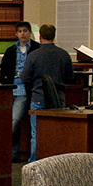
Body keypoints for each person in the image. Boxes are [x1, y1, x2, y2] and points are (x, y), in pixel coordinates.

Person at [19, 24, 75, 163]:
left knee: (37, 134)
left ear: (39, 36)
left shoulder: (34, 55)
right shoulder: (63, 54)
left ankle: (34, 164)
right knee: (56, 133)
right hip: (58, 99)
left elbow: (24, 78)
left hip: (38, 97)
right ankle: (56, 163)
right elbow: (70, 78)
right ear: (54, 35)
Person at [0, 22, 41, 162]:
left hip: (25, 89)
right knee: (11, 121)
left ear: (30, 32)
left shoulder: (36, 49)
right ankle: (13, 152)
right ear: (16, 34)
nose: (22, 34)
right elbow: (4, 69)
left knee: (15, 120)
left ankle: (9, 151)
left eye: (25, 31)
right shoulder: (11, 50)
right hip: (11, 87)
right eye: (19, 31)